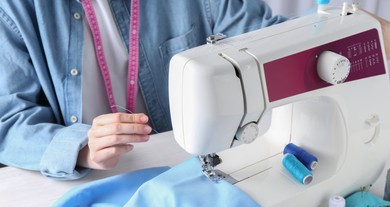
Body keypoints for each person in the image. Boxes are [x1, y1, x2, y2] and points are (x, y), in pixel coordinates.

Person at [0, 1, 389, 180]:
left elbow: (269, 35)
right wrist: (80, 146)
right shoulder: (16, 9)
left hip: (177, 171)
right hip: (86, 181)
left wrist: (353, 27)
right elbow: (10, 122)